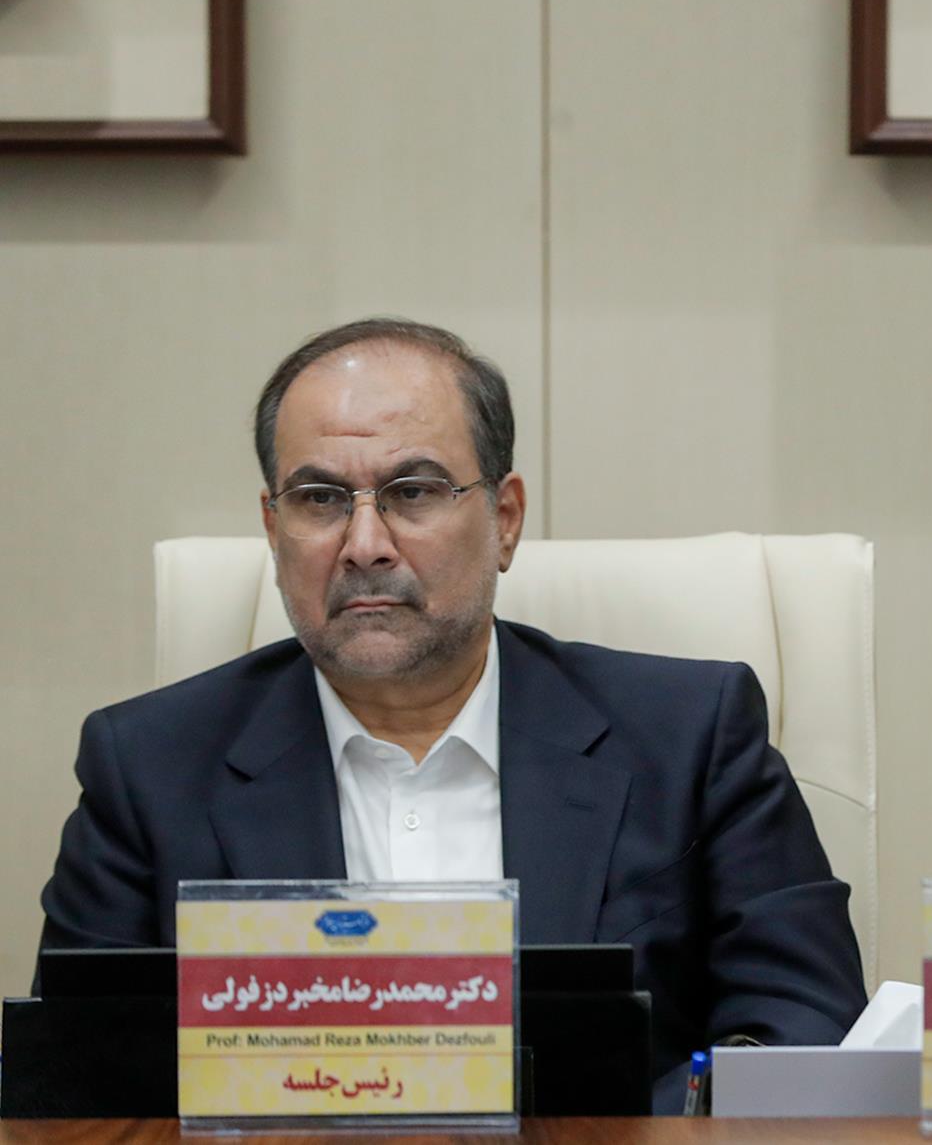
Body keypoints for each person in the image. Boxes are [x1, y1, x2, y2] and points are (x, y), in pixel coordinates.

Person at [38, 318, 867, 1111]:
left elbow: (806, 1032)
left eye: (413, 490)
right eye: (320, 498)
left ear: (504, 519)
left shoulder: (690, 737)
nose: (365, 543)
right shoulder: (147, 768)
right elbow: (76, 1084)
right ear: (272, 527)